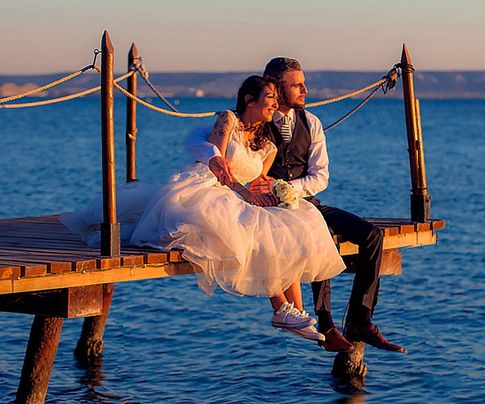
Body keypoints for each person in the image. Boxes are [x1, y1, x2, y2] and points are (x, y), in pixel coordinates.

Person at [65, 76, 346, 343]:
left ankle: (294, 311)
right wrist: (245, 194)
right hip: (208, 190)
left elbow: (259, 181)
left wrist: (274, 194)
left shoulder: (268, 146)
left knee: (291, 223)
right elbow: (219, 167)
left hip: (239, 195)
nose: (275, 103)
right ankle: (280, 309)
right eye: (270, 97)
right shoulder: (228, 120)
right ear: (250, 99)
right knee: (258, 231)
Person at [191, 59, 405, 354]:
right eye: (297, 84)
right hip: (267, 208)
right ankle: (326, 324)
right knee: (314, 233)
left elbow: (321, 176)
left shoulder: (312, 123)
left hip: (304, 199)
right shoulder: (255, 121)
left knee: (371, 235)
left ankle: (361, 319)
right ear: (275, 86)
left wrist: (289, 190)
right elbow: (212, 142)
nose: (305, 89)